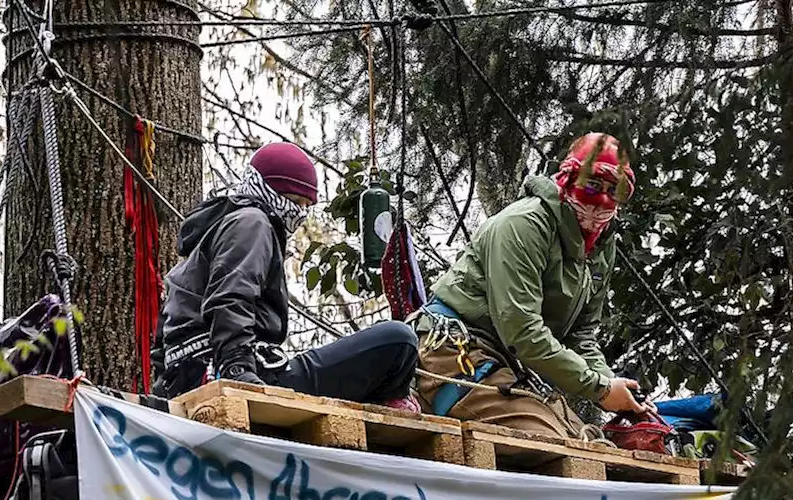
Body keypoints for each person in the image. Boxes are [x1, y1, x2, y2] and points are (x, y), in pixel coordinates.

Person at [411, 132, 652, 438]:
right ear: (568, 181)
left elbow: (581, 336)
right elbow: (521, 331)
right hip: (456, 352)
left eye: (613, 190)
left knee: (594, 444)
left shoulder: (602, 247)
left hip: (507, 366)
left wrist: (618, 391)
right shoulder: (524, 225)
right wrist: (600, 389)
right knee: (555, 442)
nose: (601, 200)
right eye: (592, 185)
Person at [152, 142, 420, 409]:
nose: (299, 214)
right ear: (271, 191)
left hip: (190, 375)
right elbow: (231, 296)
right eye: (294, 202)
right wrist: (237, 371)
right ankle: (386, 402)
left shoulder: (208, 241)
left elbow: (163, 336)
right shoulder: (252, 222)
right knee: (399, 340)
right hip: (231, 372)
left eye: (306, 206)